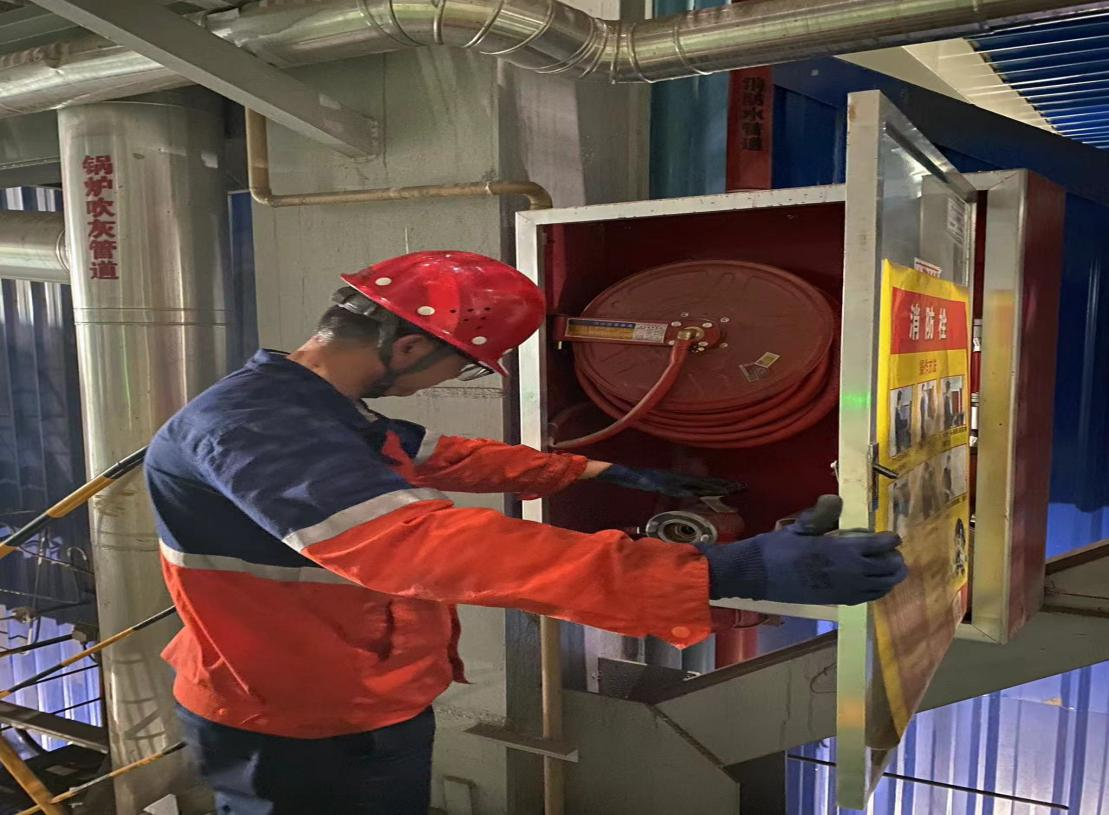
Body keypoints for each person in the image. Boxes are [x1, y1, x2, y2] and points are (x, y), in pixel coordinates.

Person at [145, 251, 906, 814]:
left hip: (367, 694)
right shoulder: (252, 426)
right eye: (466, 367)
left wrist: (601, 472)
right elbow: (418, 547)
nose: (449, 381)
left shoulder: (320, 410)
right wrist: (719, 572)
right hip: (289, 720)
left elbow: (442, 455)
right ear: (409, 348)